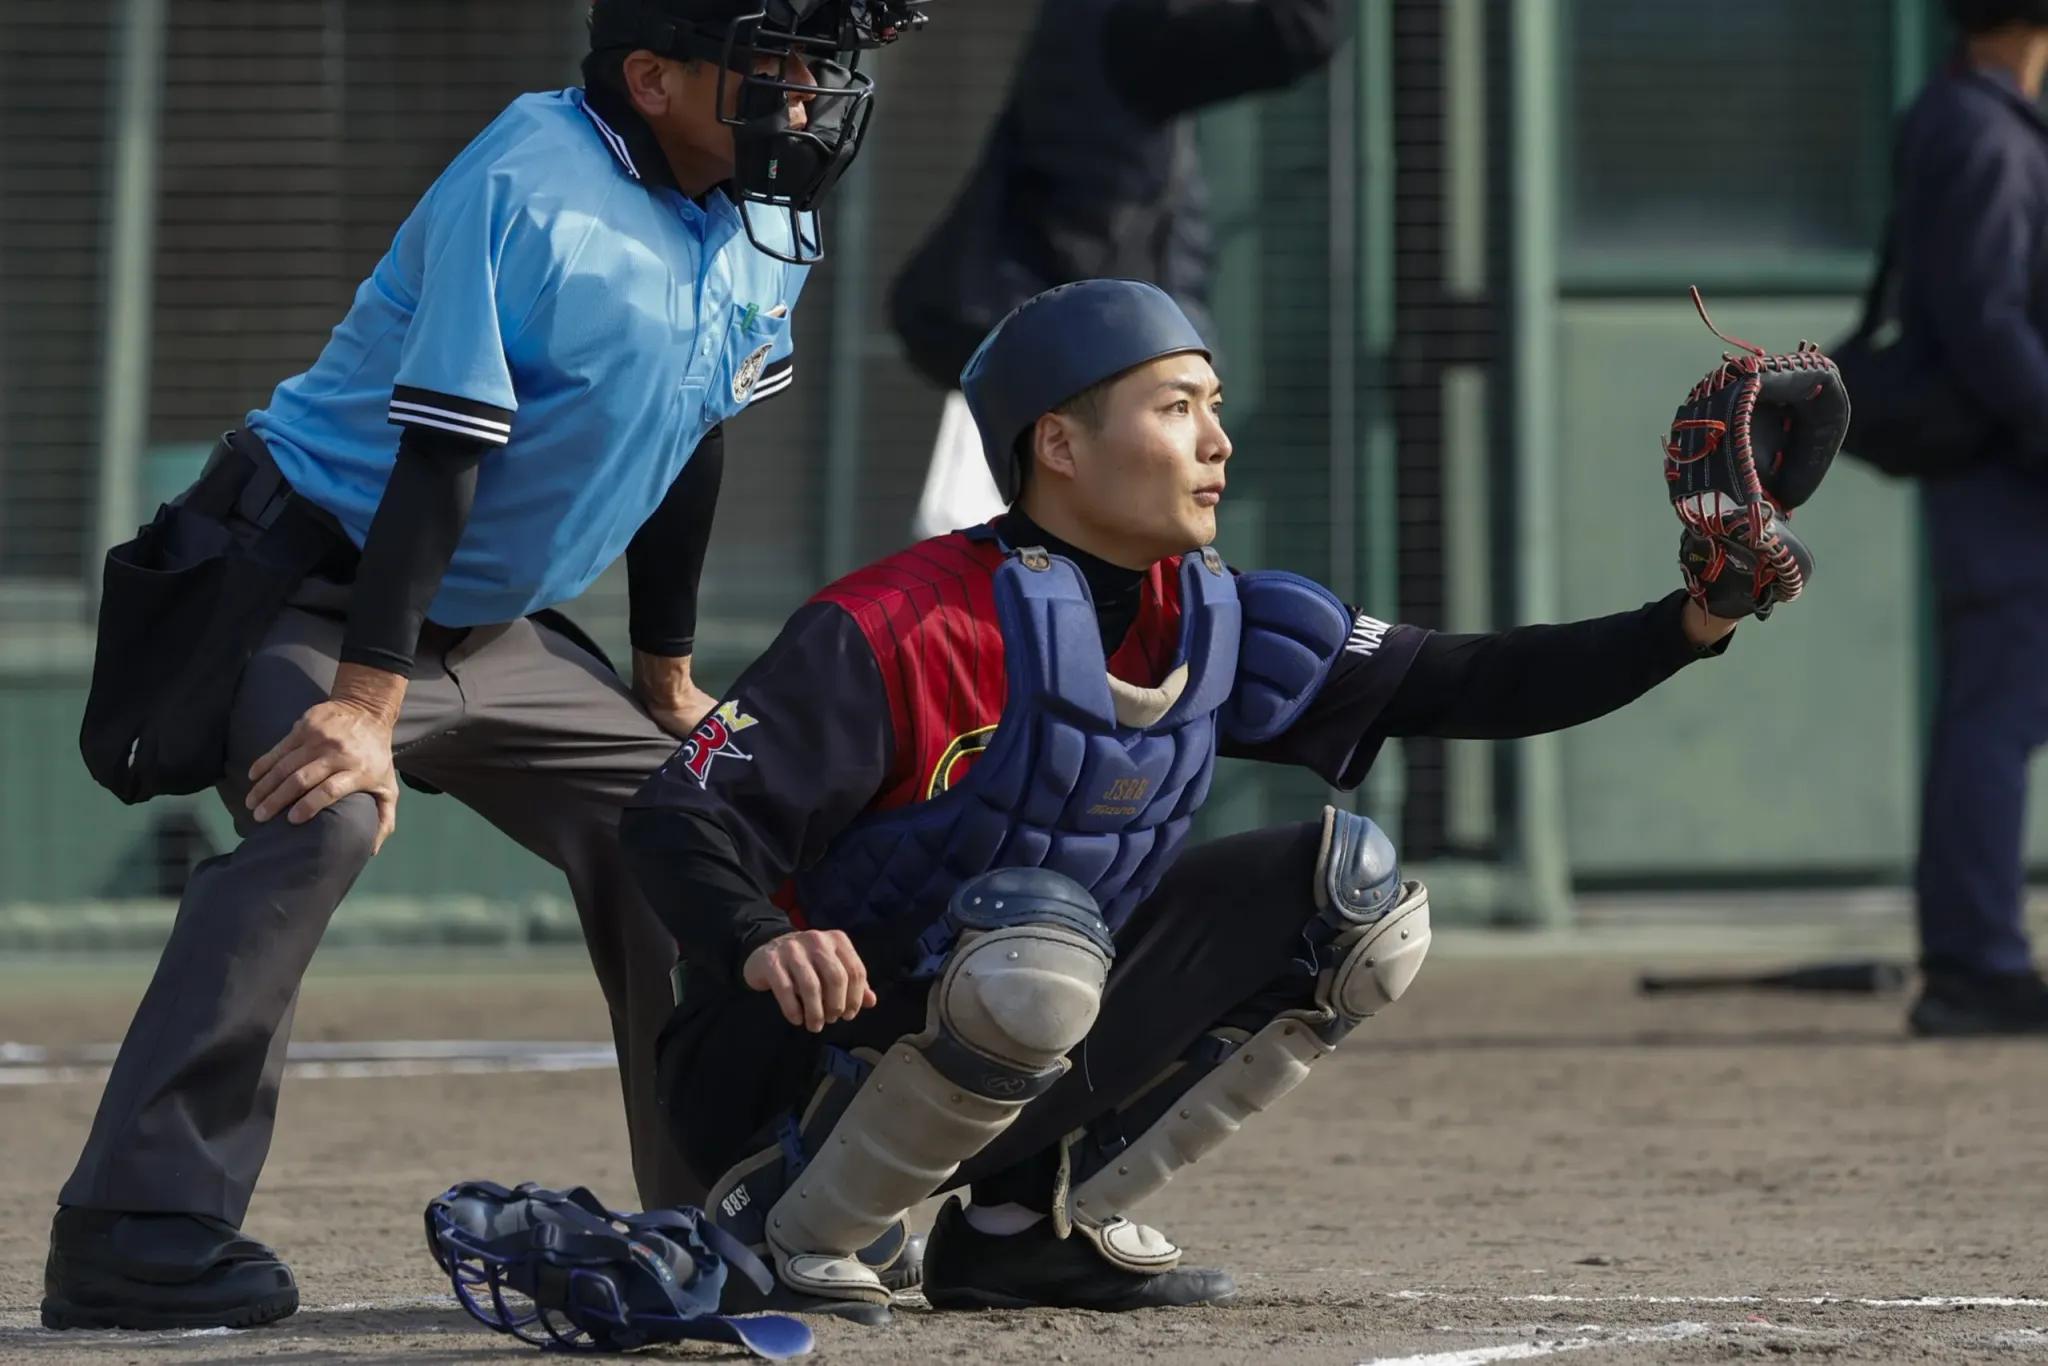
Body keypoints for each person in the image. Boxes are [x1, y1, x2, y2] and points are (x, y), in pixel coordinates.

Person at [621, 279, 1807, 1319]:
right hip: (776, 1063)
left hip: (1005, 1003)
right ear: (1060, 445)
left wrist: (1695, 612)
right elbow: (678, 815)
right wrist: (763, 938)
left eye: (1216, 407)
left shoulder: (1212, 614)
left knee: (1350, 902)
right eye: (1175, 406)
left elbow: (1473, 679)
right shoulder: (899, 623)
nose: (1215, 441)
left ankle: (1019, 1230)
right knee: (1034, 938)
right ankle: (793, 1226)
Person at [42, 0, 930, 1333]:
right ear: (652, 77)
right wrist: (364, 705)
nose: (806, 101)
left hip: (494, 628)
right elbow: (438, 458)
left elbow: (697, 432)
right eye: (776, 69)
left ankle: (740, 1203)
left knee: (691, 823)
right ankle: (138, 1227)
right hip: (312, 589)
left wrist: (666, 674)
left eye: (819, 71)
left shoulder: (760, 214)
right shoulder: (530, 184)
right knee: (320, 813)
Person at [890, 0, 1342, 537]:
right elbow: (1297, 32)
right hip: (1091, 366)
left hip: (1060, 354)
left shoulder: (1093, 23)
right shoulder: (1128, 25)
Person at [1899, 0, 2048, 1036]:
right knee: (1995, 711)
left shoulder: (1983, 115)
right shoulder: (1978, 127)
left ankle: (1976, 955)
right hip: (2003, 476)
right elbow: (1985, 318)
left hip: (2009, 469)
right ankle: (1974, 964)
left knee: (2001, 708)